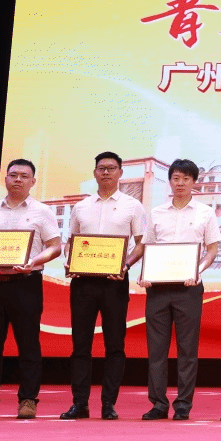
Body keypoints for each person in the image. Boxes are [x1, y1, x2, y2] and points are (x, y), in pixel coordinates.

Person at [0, 159, 63, 419]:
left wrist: (34, 261)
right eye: (13, 175)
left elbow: (55, 247)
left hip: (25, 284)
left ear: (33, 181)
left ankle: (28, 400)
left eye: (24, 176)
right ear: (5, 179)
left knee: (28, 345)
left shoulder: (42, 211)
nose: (18, 179)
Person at [60, 151, 146, 421]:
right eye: (101, 168)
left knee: (115, 344)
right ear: (95, 173)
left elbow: (141, 244)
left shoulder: (133, 206)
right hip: (83, 283)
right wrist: (70, 261)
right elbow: (71, 242)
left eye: (111, 168)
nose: (106, 172)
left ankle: (109, 404)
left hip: (114, 282)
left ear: (120, 172)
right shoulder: (81, 207)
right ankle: (80, 403)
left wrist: (125, 265)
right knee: (80, 344)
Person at [139, 158, 221, 421]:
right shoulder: (156, 213)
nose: (181, 183)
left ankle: (184, 404)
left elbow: (212, 250)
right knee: (156, 349)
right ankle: (158, 403)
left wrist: (197, 271)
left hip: (189, 288)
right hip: (158, 289)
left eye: (186, 178)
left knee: (187, 349)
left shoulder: (205, 213)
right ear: (170, 181)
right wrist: (145, 274)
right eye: (176, 178)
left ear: (194, 182)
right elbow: (148, 248)